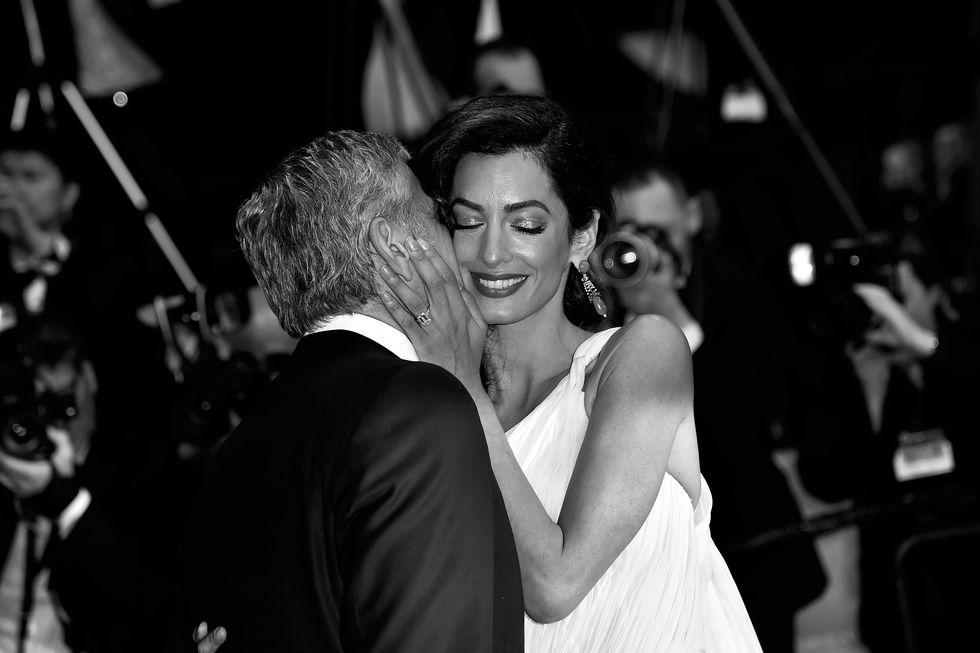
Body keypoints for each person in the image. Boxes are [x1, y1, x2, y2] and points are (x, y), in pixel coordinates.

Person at [194, 96, 760, 653]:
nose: (492, 253)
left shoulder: (640, 355)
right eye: (467, 221)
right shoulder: (412, 403)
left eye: (527, 226)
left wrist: (463, 385)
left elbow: (555, 586)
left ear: (582, 236)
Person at [172, 130, 523, 653]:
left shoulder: (239, 445)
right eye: (440, 216)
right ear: (396, 246)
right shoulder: (419, 408)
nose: (461, 242)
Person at [607, 159, 826, 652]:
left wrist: (671, 316)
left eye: (658, 231)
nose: (647, 246)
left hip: (749, 544)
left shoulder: (741, 285)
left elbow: (756, 414)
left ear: (693, 217)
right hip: (645, 565)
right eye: (631, 232)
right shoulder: (599, 297)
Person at [0, 315, 181, 653]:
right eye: (38, 407)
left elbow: (149, 600)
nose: (51, 420)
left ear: (90, 378)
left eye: (64, 402)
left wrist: (65, 499)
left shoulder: (144, 465)